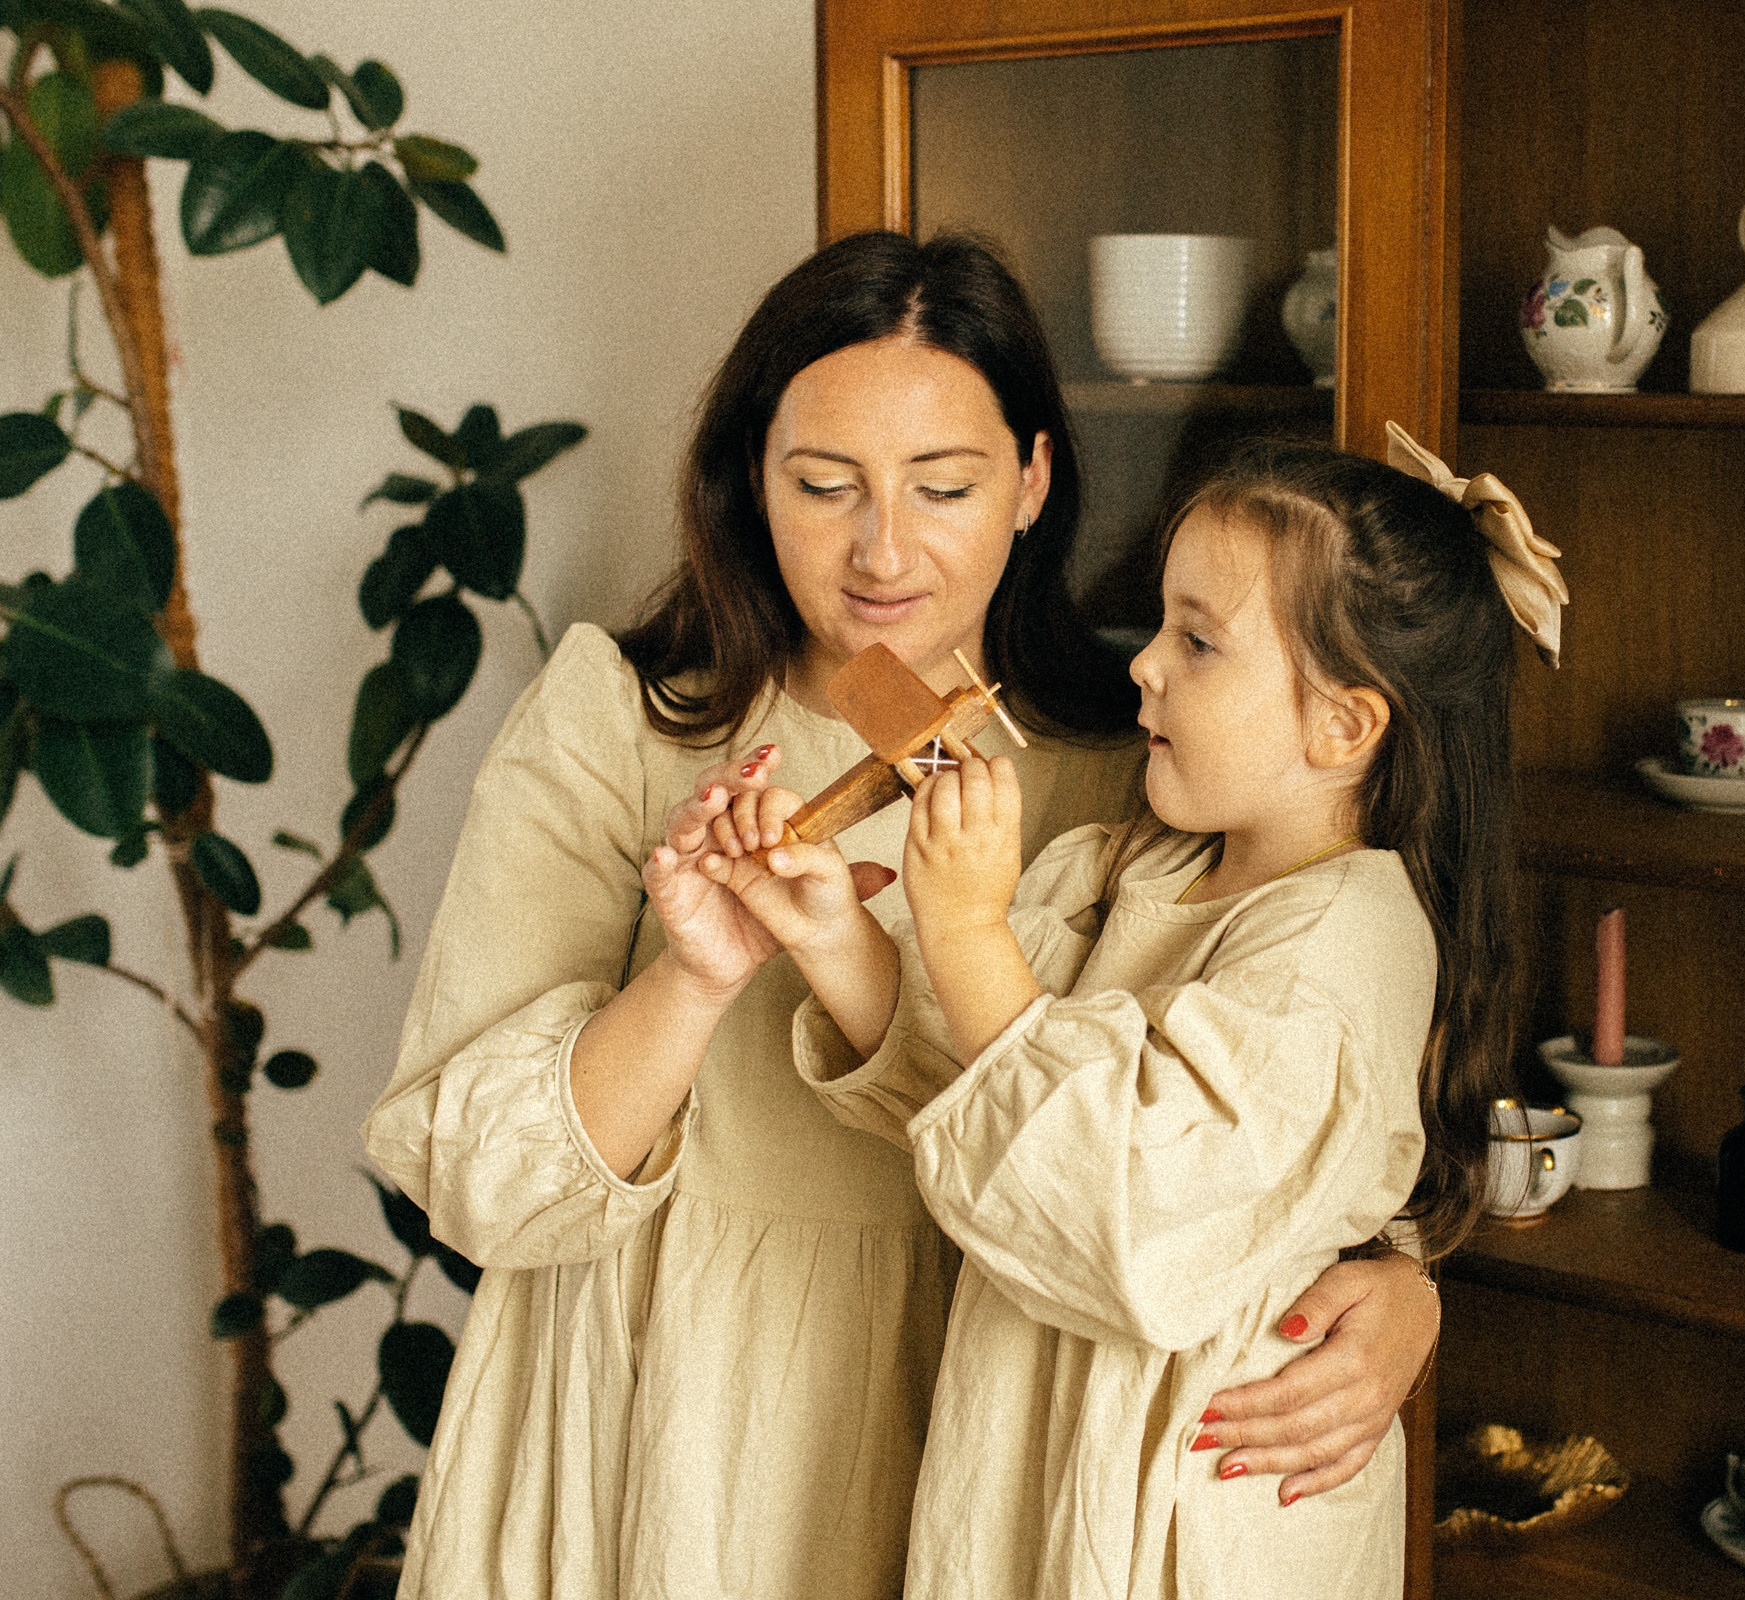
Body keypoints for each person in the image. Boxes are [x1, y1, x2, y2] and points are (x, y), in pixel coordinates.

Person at [361, 233, 1440, 1600]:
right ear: (752, 480)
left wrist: (1396, 1285)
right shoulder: (620, 716)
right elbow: (475, 1188)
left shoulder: (1151, 764)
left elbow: (1253, 1095)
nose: (882, 549)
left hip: (990, 1420)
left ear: (1035, 480)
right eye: (822, 485)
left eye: (945, 486)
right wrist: (693, 982)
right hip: (654, 1407)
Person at [694, 429, 1560, 1598]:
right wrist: (830, 931)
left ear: (1345, 726)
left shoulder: (1341, 942)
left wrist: (966, 932)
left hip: (1188, 1518)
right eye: (1161, 624)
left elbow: (1122, 1213)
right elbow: (980, 1092)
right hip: (1042, 1457)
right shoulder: (1141, 864)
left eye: (1198, 642)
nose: (1143, 665)